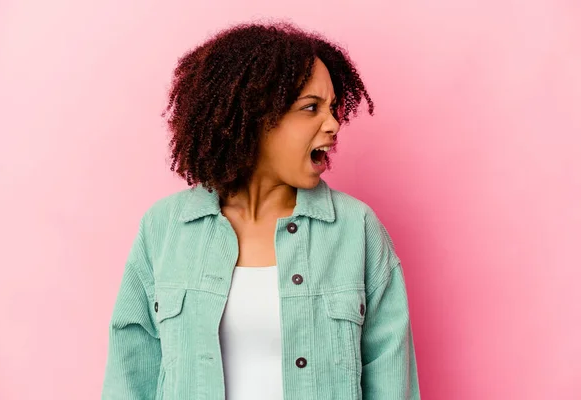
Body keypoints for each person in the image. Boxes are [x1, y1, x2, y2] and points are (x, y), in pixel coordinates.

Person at [101, 21, 420, 400]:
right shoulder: (163, 230)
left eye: (333, 108)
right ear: (255, 117)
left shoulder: (357, 229)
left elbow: (392, 382)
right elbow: (129, 379)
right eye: (311, 107)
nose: (333, 124)